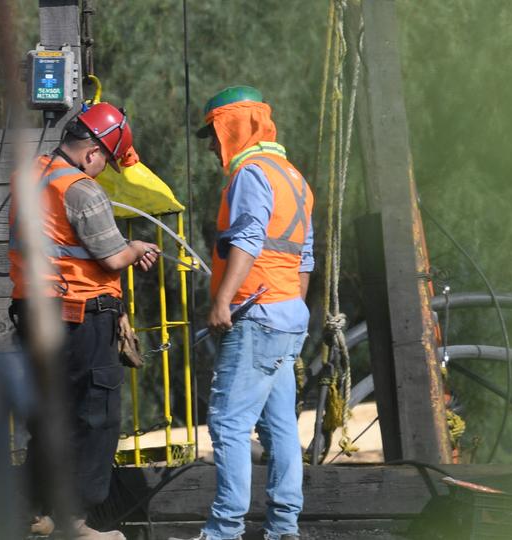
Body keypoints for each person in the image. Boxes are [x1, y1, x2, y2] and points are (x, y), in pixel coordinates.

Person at [8, 102, 160, 540]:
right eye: (106, 162)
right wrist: (137, 249)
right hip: (80, 318)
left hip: (32, 315)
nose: (103, 170)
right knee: (95, 417)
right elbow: (112, 255)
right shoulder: (81, 189)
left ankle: (33, 511)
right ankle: (76, 526)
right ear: (93, 153)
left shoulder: (30, 175)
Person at [181, 86, 315, 540]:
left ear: (233, 125)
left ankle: (223, 531)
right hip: (287, 314)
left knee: (228, 422)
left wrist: (223, 300)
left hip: (257, 316)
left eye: (215, 134)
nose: (214, 146)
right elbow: (305, 259)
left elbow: (250, 237)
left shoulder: (252, 173)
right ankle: (283, 529)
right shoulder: (293, 176)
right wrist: (290, 307)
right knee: (279, 428)